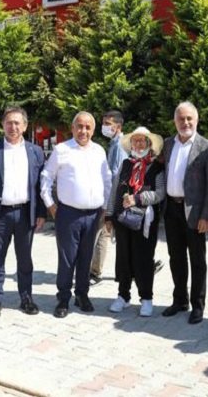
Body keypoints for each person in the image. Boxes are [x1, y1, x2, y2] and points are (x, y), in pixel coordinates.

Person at [0, 106, 47, 319]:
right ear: (3, 125)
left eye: (17, 123)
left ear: (25, 126)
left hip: (25, 213)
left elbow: (39, 185)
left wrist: (41, 212)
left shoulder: (35, 151)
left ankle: (26, 298)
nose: (13, 126)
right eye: (9, 122)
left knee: (25, 259)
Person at [40, 111, 112, 319]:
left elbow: (107, 180)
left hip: (94, 215)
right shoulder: (62, 150)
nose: (83, 131)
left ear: (93, 130)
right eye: (79, 126)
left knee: (86, 257)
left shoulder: (99, 151)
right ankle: (63, 298)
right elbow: (46, 177)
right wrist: (50, 205)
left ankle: (82, 295)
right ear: (72, 128)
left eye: (88, 127)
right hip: (68, 214)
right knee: (67, 258)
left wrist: (106, 207)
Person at [161, 101, 208, 324]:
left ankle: (198, 305)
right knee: (176, 258)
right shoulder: (168, 144)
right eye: (181, 119)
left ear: (197, 120)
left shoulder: (207, 147)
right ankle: (180, 300)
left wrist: (206, 216)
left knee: (197, 260)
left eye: (189, 119)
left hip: (195, 212)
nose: (185, 123)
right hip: (172, 209)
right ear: (174, 121)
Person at [105, 126, 166, 317]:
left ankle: (146, 298)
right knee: (123, 258)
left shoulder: (156, 167)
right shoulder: (126, 164)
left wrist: (138, 199)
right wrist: (109, 215)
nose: (138, 144)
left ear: (149, 144)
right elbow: (115, 190)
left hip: (145, 221)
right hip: (123, 220)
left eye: (142, 140)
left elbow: (160, 193)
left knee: (144, 259)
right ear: (131, 144)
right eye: (135, 140)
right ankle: (123, 295)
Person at [91, 110, 125, 285]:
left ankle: (95, 272)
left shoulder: (119, 146)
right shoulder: (114, 144)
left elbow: (116, 176)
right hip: (113, 198)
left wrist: (109, 204)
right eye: (103, 123)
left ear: (117, 126)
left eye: (107, 124)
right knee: (107, 234)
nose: (104, 127)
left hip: (114, 198)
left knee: (102, 233)